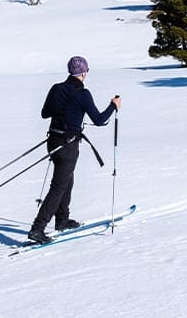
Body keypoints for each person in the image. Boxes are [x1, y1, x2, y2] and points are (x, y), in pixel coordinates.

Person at [28, 56, 121, 244]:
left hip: (53, 141)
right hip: (68, 145)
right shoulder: (82, 93)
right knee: (59, 186)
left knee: (67, 181)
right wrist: (113, 106)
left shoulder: (56, 88)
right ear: (84, 72)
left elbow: (45, 113)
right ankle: (37, 229)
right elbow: (99, 120)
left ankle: (62, 220)